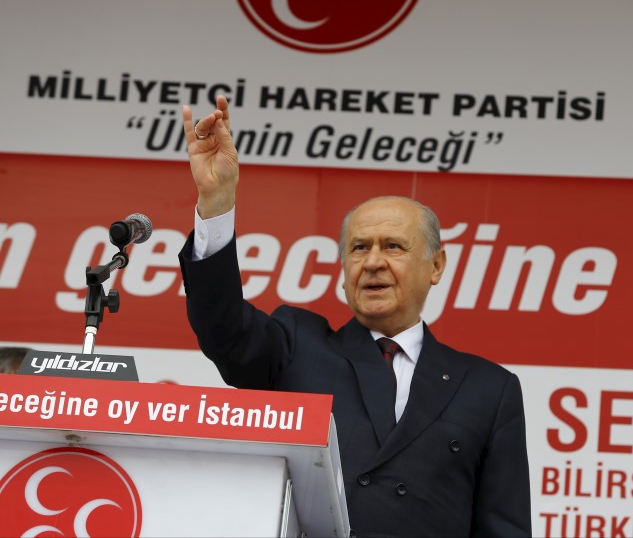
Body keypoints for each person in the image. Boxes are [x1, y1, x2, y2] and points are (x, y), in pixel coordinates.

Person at [178, 95, 532, 537]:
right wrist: (217, 203)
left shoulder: (489, 388)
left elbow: (504, 528)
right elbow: (222, 325)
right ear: (343, 269)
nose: (373, 262)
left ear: (436, 266)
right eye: (359, 248)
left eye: (394, 246)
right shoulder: (294, 345)